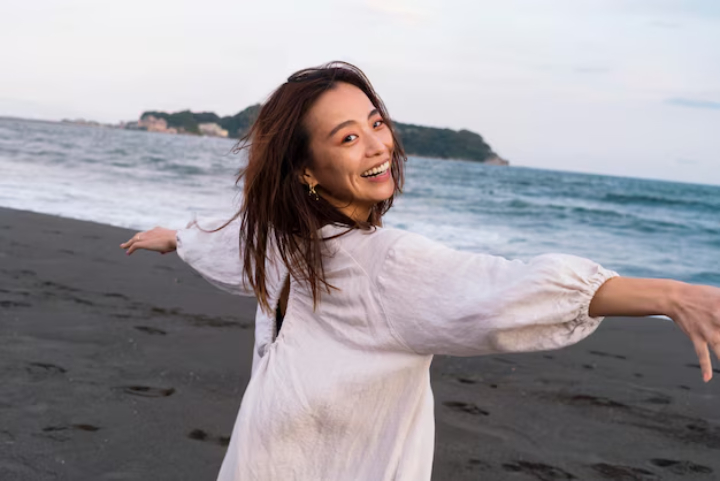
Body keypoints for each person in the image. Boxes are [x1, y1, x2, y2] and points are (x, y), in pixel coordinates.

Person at [120, 61, 720, 481]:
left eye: (376, 123)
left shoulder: (284, 240)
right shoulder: (381, 263)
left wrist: (179, 238)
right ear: (306, 169)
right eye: (348, 137)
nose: (377, 145)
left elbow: (232, 245)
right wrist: (671, 295)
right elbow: (508, 293)